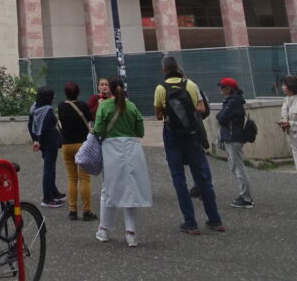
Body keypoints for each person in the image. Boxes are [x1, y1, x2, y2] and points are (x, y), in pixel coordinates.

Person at [154, 55, 225, 235]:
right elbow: (201, 109)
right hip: (192, 135)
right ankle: (215, 219)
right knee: (202, 176)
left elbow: (158, 115)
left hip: (172, 136)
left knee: (179, 178)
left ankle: (190, 222)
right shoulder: (191, 85)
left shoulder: (160, 88)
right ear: (177, 67)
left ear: (164, 70)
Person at [93, 77, 151, 247]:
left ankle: (104, 229)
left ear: (109, 89)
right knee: (131, 189)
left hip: (111, 149)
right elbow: (140, 131)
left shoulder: (104, 106)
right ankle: (131, 233)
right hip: (132, 149)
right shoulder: (131, 106)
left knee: (108, 190)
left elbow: (98, 130)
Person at [57, 82, 96, 221]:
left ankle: (72, 210)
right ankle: (87, 211)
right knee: (84, 178)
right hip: (82, 144)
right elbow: (91, 119)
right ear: (78, 92)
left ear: (65, 93)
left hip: (67, 145)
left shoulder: (61, 106)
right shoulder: (83, 106)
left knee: (71, 178)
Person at [216, 77, 253, 208]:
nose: (220, 89)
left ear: (229, 89)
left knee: (238, 167)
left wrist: (222, 117)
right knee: (234, 166)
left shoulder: (233, 102)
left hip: (233, 138)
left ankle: (246, 198)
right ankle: (244, 194)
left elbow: (220, 117)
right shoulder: (233, 101)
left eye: (222, 87)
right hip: (232, 137)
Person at [28, 87, 65, 208]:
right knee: (49, 169)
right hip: (50, 142)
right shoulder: (48, 110)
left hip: (43, 143)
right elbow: (45, 127)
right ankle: (47, 198)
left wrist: (35, 139)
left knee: (50, 167)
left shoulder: (34, 108)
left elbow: (30, 125)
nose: (54, 98)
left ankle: (53, 191)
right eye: (52, 96)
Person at [278, 75, 297, 171]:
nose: (282, 87)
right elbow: (285, 116)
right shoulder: (286, 100)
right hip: (293, 141)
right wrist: (283, 122)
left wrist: (291, 124)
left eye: (284, 85)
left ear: (291, 86)